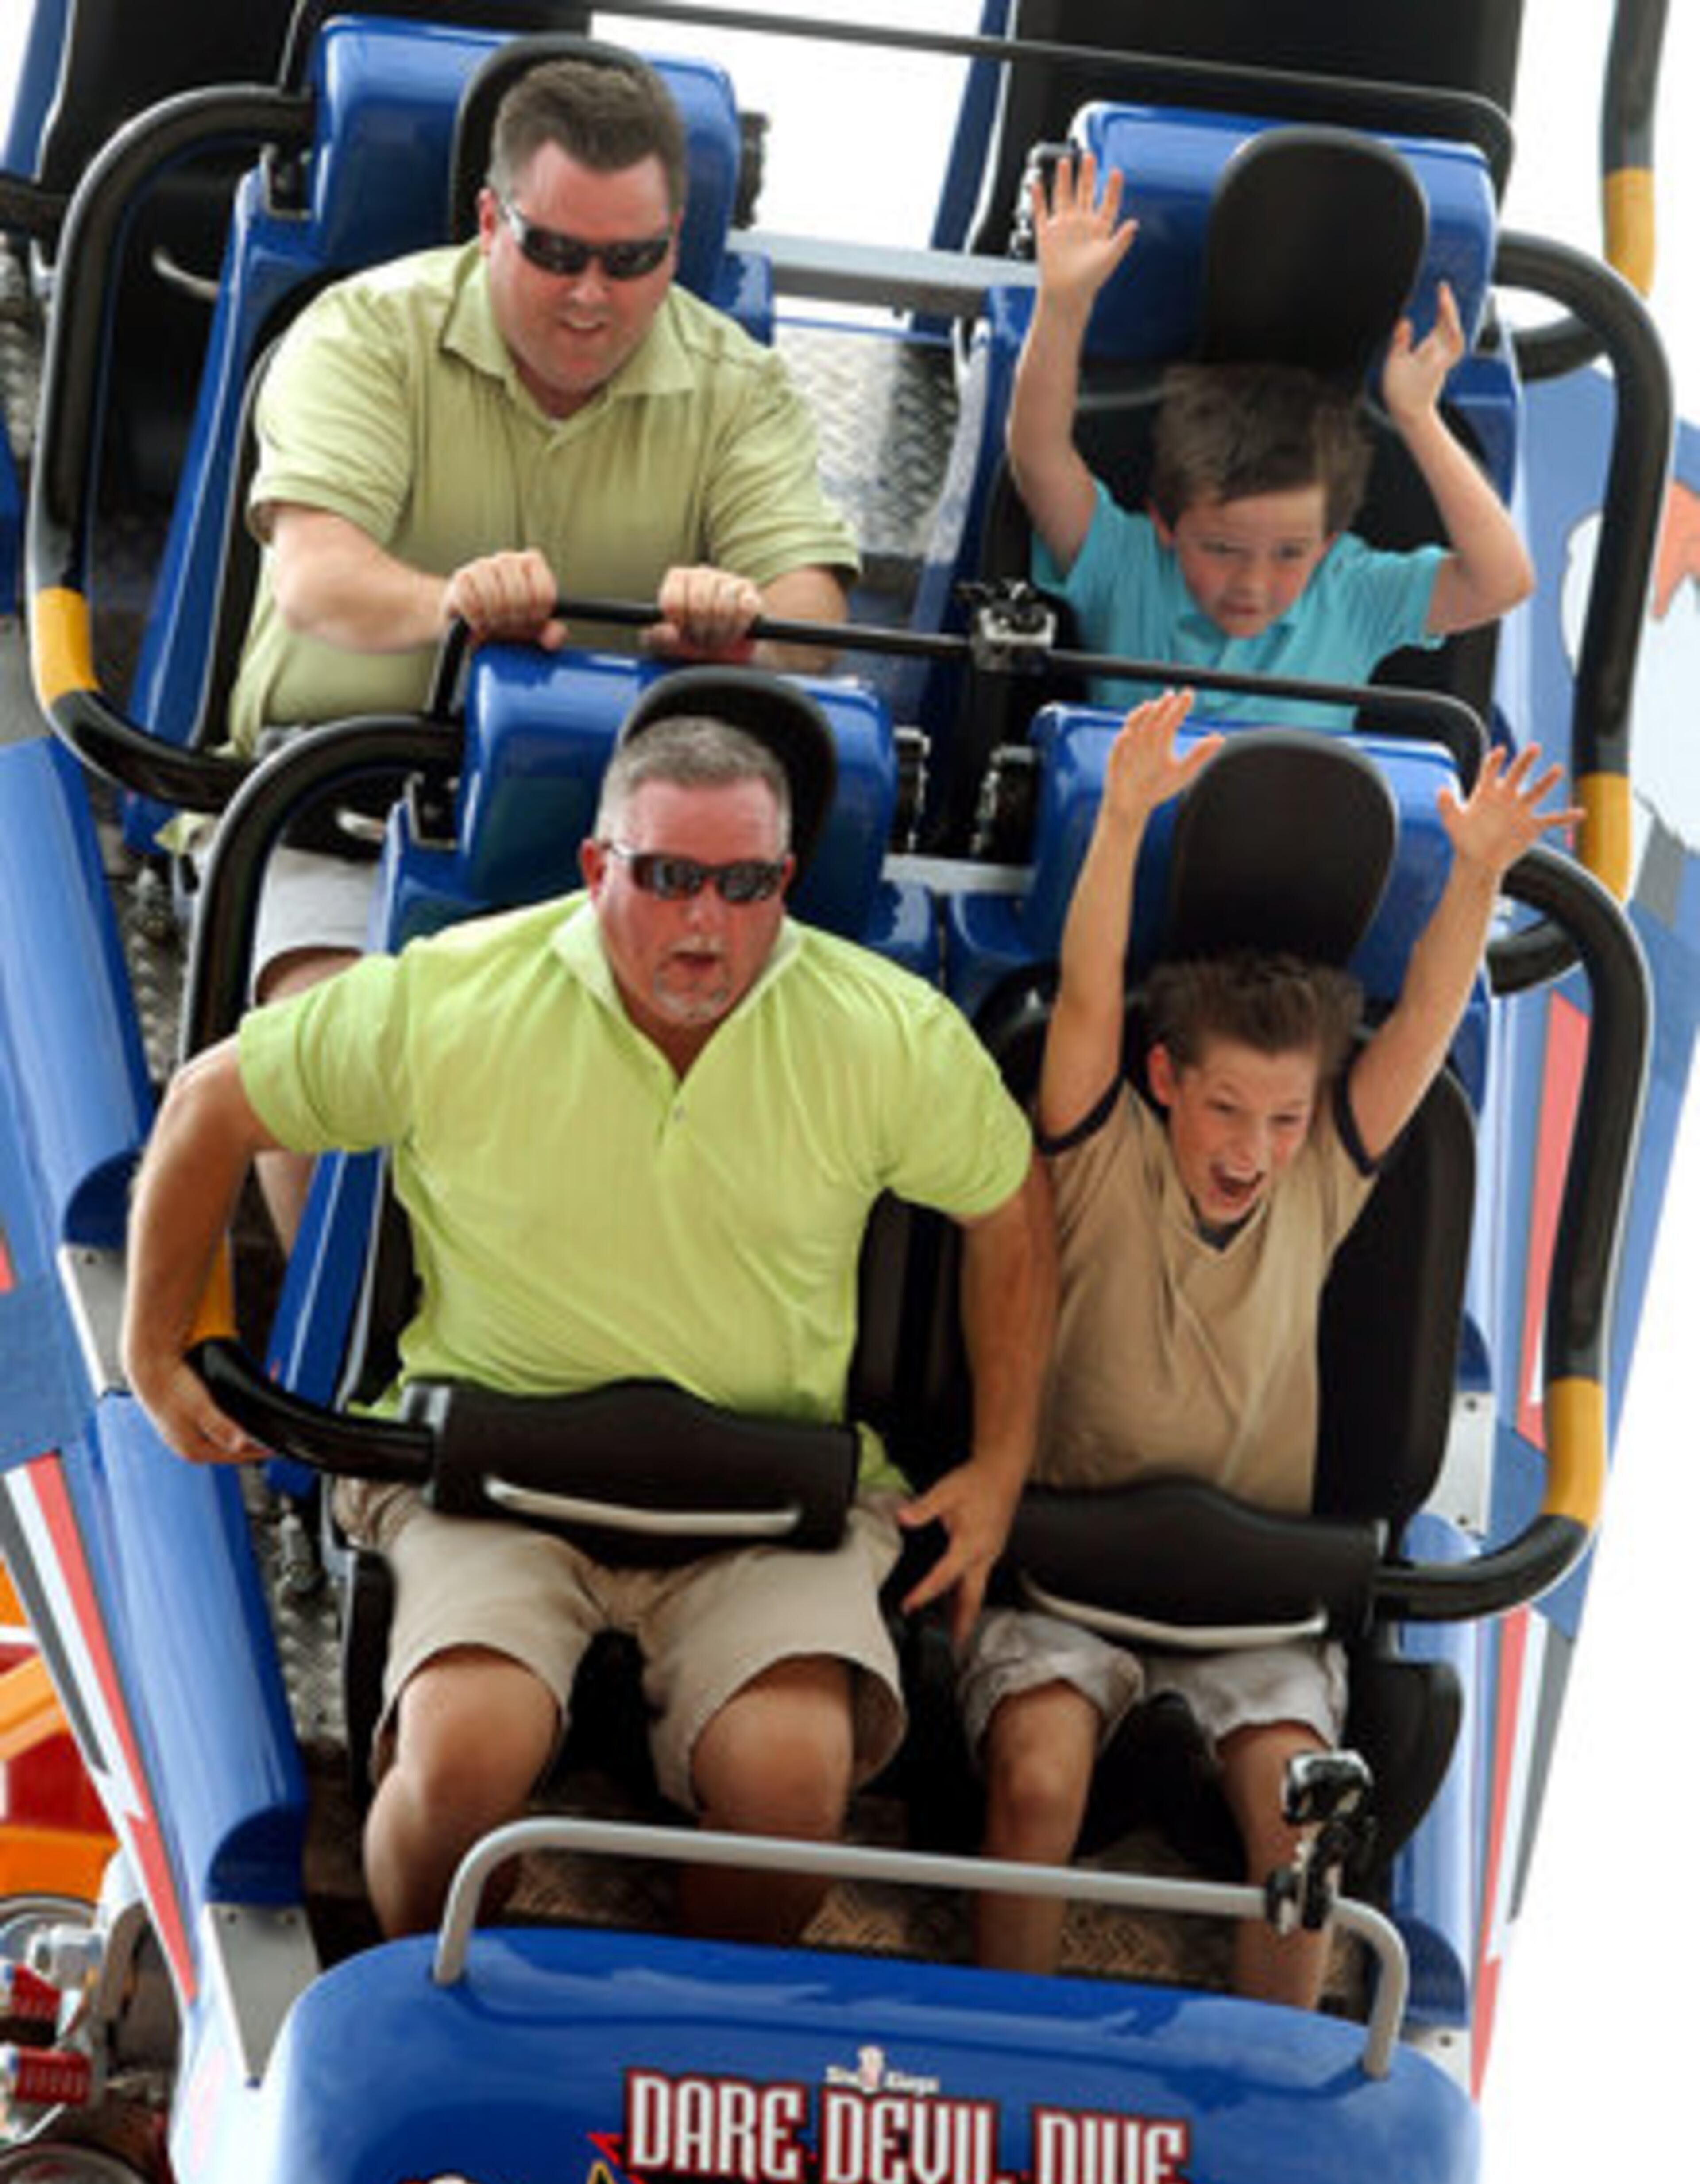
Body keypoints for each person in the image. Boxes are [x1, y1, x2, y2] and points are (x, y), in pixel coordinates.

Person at [125, 677, 1054, 1945]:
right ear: (595, 866)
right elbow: (208, 1105)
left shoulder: (886, 1031)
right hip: (496, 1485)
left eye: (745, 884)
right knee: (462, 1758)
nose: (707, 920)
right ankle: (425, 1993)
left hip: (762, 1507)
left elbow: (1011, 1208)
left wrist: (1002, 1465)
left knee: (793, 1787)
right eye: (668, 876)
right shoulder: (459, 995)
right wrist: (156, 1349)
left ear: (786, 880)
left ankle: (680, 2040)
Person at [958, 686, 1577, 2003]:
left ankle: (1260, 2071)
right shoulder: (1098, 1146)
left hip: (1258, 1599)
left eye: (1286, 1119)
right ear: (1166, 1081)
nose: (1255, 1149)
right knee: (1039, 1779)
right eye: (1228, 1108)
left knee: (1307, 1823)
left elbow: (1421, 1030)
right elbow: (1088, 991)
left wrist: (1476, 874)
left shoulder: (1323, 1177)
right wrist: (1121, 819)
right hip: (1071, 1579)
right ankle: (1008, 2040)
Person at [224, 50, 861, 1234]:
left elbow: (812, 607)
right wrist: (454, 607)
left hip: (632, 856)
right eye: (557, 251)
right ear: (490, 221)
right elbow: (316, 580)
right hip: (352, 811)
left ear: (676, 245)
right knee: (326, 1095)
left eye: (633, 260)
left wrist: (746, 635)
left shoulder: (740, 385)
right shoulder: (365, 331)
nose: (591, 295)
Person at [1006, 151, 1535, 725]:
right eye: (1222, 549)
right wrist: (1063, 303)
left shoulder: (1352, 594)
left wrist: (1417, 416)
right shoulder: (1123, 566)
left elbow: (1501, 582)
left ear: (1329, 542)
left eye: (1290, 553)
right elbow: (1038, 454)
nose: (1252, 586)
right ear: (1165, 524)